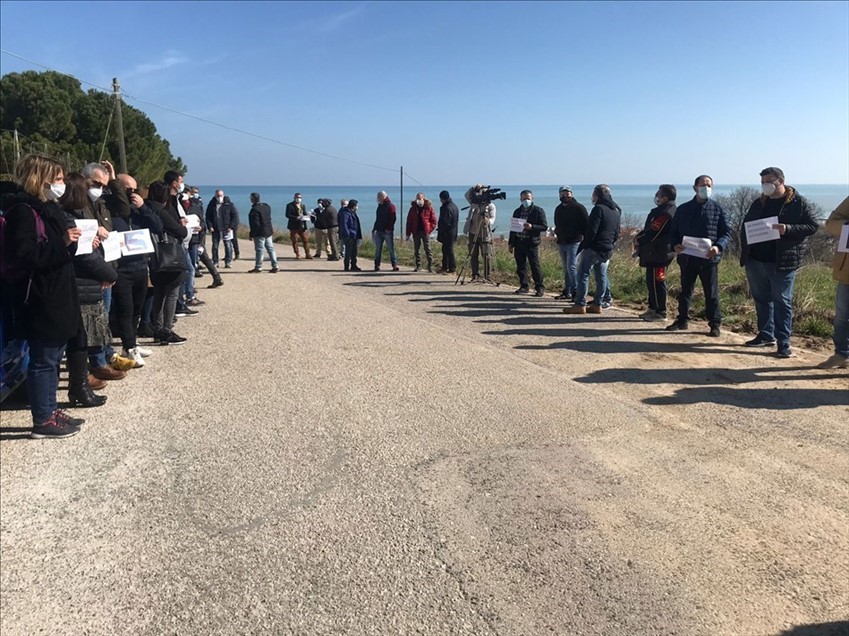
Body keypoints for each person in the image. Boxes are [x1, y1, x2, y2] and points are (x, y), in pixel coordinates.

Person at [3, 154, 85, 438]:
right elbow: (24, 256)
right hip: (40, 296)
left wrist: (71, 242)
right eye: (58, 178)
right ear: (42, 179)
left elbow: (58, 251)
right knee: (44, 359)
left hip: (57, 292)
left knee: (53, 356)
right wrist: (63, 243)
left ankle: (49, 409)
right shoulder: (23, 211)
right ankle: (43, 419)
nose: (62, 184)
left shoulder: (48, 210)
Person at [739, 168, 819, 357]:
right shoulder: (759, 202)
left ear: (780, 181)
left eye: (769, 181)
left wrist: (788, 229)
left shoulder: (798, 202)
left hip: (782, 261)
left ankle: (784, 342)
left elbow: (813, 225)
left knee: (782, 301)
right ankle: (766, 335)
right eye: (762, 182)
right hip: (756, 260)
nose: (765, 185)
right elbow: (746, 225)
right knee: (761, 299)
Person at [58, 172, 116, 406]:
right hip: (79, 286)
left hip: (85, 284)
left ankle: (80, 385)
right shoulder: (67, 218)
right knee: (76, 341)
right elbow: (84, 257)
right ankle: (79, 386)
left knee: (79, 342)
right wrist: (110, 274)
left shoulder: (74, 215)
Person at [666, 175, 731, 336]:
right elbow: (673, 232)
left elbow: (727, 232)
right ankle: (682, 320)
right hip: (687, 258)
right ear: (695, 188)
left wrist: (718, 247)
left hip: (709, 259)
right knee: (685, 291)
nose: (706, 188)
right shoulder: (683, 209)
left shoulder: (718, 208)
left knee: (711, 293)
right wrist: (675, 245)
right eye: (703, 185)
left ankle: (715, 324)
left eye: (709, 185)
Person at [110, 173, 163, 365]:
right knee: (125, 309)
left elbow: (158, 226)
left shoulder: (140, 211)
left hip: (141, 266)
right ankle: (130, 347)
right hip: (122, 268)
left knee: (137, 310)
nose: (131, 193)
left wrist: (142, 206)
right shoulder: (111, 210)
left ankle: (131, 343)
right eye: (127, 190)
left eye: (135, 190)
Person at [563, 185, 622, 314]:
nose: (593, 197)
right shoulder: (616, 210)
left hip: (594, 247)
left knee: (582, 274)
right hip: (607, 248)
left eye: (594, 194)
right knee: (601, 276)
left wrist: (584, 246)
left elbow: (591, 231)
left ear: (597, 195)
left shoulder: (598, 209)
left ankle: (579, 304)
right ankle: (597, 304)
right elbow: (617, 232)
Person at [147, 180, 189, 345]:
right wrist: (182, 225)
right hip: (168, 257)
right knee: (171, 294)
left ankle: (158, 328)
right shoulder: (161, 211)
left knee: (158, 294)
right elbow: (180, 232)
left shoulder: (145, 209)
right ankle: (166, 329)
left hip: (153, 258)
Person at [634, 184, 677, 321]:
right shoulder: (663, 210)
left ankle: (660, 312)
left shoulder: (666, 213)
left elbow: (654, 232)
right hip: (654, 253)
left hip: (659, 254)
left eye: (658, 195)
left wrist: (638, 240)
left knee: (658, 282)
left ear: (665, 197)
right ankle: (652, 308)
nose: (656, 197)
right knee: (651, 282)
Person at [818, 196, 849, 369]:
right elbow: (831, 223)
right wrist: (847, 226)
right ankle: (842, 354)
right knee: (842, 316)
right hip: (847, 272)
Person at [508, 190, 548, 296]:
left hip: (531, 243)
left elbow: (544, 226)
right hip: (519, 242)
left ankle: (539, 287)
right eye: (524, 198)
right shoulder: (517, 211)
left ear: (532, 198)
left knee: (534, 265)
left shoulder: (538, 211)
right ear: (520, 199)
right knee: (520, 266)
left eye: (528, 198)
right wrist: (511, 243)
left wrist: (532, 227)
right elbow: (513, 228)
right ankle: (524, 286)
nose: (526, 200)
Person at [552, 186, 588, 300]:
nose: (565, 196)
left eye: (568, 193)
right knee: (566, 267)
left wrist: (584, 238)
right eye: (563, 194)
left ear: (571, 194)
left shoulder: (579, 207)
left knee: (571, 267)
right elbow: (556, 222)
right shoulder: (558, 209)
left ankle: (577, 291)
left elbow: (586, 224)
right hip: (562, 242)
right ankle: (567, 291)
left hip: (575, 242)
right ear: (559, 195)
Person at [463, 185, 497, 281]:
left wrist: (486, 220)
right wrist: (474, 188)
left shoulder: (491, 206)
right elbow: (466, 195)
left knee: (486, 255)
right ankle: (475, 275)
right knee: (473, 254)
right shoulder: (474, 204)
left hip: (485, 233)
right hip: (473, 232)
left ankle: (487, 276)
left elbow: (492, 220)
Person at [205, 189, 238, 268]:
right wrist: (210, 226)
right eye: (218, 196)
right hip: (215, 228)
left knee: (228, 245)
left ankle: (228, 261)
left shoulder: (229, 204)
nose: (219, 197)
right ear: (215, 195)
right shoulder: (212, 204)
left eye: (221, 195)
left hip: (226, 228)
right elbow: (208, 217)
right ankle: (215, 262)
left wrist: (231, 226)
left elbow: (234, 216)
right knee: (215, 246)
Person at [406, 192, 438, 272]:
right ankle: (418, 266)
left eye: (420, 198)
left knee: (427, 249)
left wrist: (429, 230)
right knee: (416, 250)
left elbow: (434, 221)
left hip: (425, 231)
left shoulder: (429, 208)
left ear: (423, 198)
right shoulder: (413, 208)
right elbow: (409, 221)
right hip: (416, 231)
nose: (418, 200)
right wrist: (408, 233)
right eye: (417, 198)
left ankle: (430, 266)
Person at [248, 192, 279, 273]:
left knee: (259, 250)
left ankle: (258, 267)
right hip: (268, 231)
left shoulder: (254, 209)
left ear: (252, 199)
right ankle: (275, 265)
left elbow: (255, 224)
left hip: (260, 233)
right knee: (270, 249)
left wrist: (252, 234)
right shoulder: (266, 206)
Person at [372, 191, 399, 271]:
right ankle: (377, 265)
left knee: (391, 248)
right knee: (378, 249)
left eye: (379, 197)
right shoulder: (380, 206)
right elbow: (378, 219)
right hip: (379, 230)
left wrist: (389, 228)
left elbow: (393, 218)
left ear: (383, 197)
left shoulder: (390, 206)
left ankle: (394, 265)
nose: (377, 199)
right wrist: (374, 228)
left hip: (387, 231)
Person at [437, 190, 459, 273]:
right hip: (453, 231)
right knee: (446, 250)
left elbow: (445, 222)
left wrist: (441, 231)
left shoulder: (447, 207)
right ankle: (445, 267)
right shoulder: (454, 206)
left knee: (448, 250)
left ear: (442, 198)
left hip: (448, 232)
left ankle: (451, 268)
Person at [285, 192, 312, 259]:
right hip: (293, 226)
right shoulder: (289, 205)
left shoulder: (302, 205)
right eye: (297, 197)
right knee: (295, 240)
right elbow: (287, 215)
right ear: (294, 198)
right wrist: (296, 217)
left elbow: (304, 213)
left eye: (300, 197)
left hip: (302, 226)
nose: (299, 199)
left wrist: (307, 216)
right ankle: (297, 254)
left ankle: (307, 254)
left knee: (305, 240)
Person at [338, 199, 362, 272]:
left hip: (354, 235)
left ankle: (354, 265)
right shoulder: (346, 213)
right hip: (349, 235)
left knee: (354, 251)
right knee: (348, 251)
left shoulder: (353, 212)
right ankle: (346, 266)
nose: (357, 207)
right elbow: (344, 224)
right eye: (356, 206)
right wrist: (347, 234)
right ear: (353, 206)